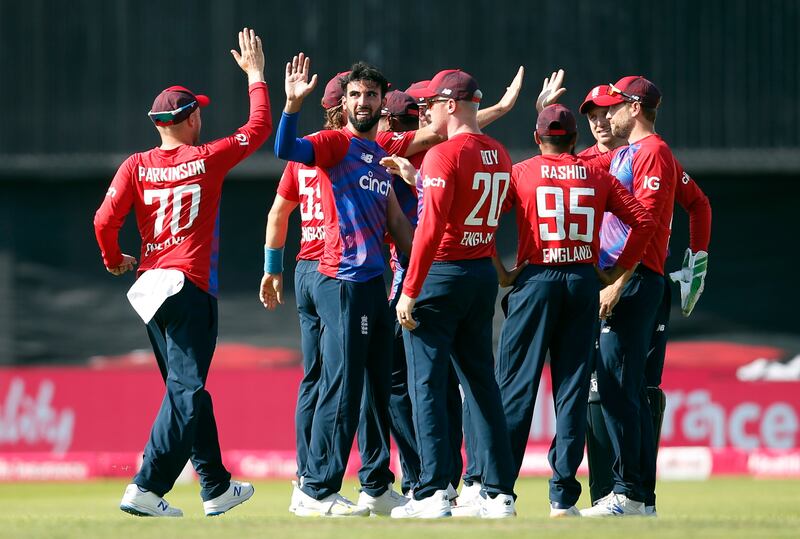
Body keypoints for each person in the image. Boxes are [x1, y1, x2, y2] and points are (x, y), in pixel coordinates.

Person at [93, 28, 271, 517]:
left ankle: (214, 486)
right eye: (200, 113)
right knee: (186, 392)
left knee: (185, 390)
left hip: (149, 288)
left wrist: (114, 261)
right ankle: (146, 487)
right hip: (188, 285)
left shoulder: (135, 164)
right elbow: (258, 127)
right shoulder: (207, 159)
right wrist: (256, 76)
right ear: (191, 118)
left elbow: (104, 220)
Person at [491, 104, 655, 517]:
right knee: (571, 391)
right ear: (575, 139)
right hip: (582, 282)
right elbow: (645, 222)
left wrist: (500, 271)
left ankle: (499, 493)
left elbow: (485, 220)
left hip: (536, 281)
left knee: (516, 388)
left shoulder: (523, 172)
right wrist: (616, 271)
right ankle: (563, 498)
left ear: (537, 138)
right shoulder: (597, 174)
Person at [272, 54, 413, 517]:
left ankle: (374, 485)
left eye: (370, 95)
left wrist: (419, 276)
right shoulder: (335, 143)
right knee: (341, 383)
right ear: (346, 103)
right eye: (355, 95)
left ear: (382, 102)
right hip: (343, 280)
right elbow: (285, 150)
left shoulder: (377, 158)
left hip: (375, 284)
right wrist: (291, 107)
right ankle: (315, 489)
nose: (362, 101)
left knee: (375, 388)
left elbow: (397, 225)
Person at [384, 69, 517, 519]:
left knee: (426, 383)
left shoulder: (442, 154)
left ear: (452, 105)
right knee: (481, 383)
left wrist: (409, 289)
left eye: (432, 106)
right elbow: (460, 202)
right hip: (479, 271)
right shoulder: (498, 151)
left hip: (440, 275)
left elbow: (429, 228)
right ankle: (498, 493)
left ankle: (433, 492)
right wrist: (413, 178)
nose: (425, 114)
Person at [577, 85, 712, 513]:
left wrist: (619, 281)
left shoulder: (653, 151)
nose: (606, 116)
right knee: (624, 388)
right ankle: (635, 495)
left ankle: (629, 492)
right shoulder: (625, 154)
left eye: (613, 106)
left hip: (633, 281)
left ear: (634, 108)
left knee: (620, 389)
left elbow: (649, 223)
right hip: (632, 279)